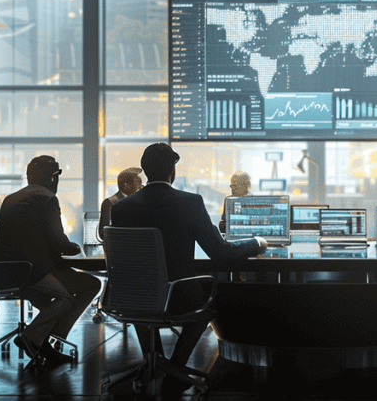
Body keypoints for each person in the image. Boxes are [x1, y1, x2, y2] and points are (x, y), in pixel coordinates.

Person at [111, 143, 266, 389]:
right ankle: (175, 369)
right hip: (178, 298)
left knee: (143, 297)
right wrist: (256, 243)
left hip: (129, 297)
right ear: (172, 170)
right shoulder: (189, 202)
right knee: (209, 305)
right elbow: (220, 252)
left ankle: (157, 362)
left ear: (144, 170)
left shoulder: (120, 209)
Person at [0, 155, 101, 365]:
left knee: (65, 293)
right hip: (33, 272)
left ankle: (42, 342)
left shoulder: (10, 198)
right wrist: (75, 247)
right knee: (75, 293)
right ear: (53, 178)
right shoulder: (47, 198)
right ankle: (36, 337)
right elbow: (58, 241)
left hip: (4, 273)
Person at [98, 167, 143, 240]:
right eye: (138, 185)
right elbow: (103, 233)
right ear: (125, 185)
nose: (141, 187)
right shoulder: (110, 203)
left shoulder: (138, 202)